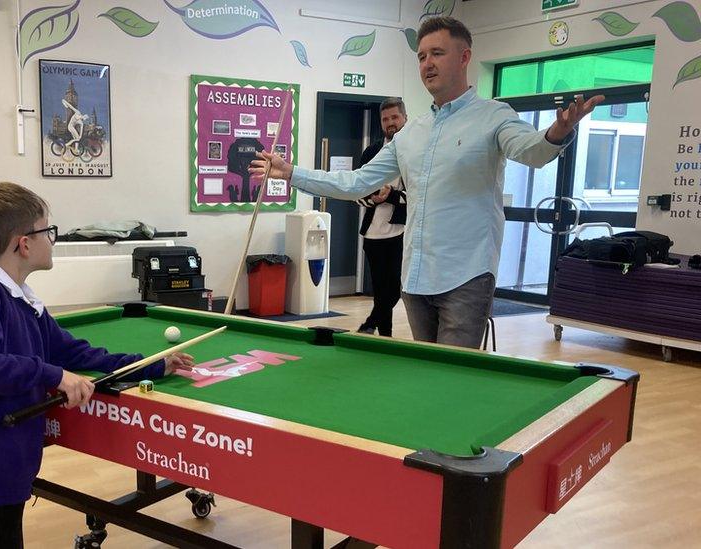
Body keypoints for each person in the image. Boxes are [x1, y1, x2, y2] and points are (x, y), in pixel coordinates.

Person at [251, 16, 603, 349]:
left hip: (467, 275)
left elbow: (533, 152)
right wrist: (293, 173)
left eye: (437, 53)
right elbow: (356, 182)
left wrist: (558, 132)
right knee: (425, 375)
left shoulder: (494, 116)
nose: (427, 63)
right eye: (421, 56)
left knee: (452, 379)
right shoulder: (411, 133)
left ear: (464, 57)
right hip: (417, 278)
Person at [0, 181, 194, 548]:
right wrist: (52, 375)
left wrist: (150, 365)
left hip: (9, 464)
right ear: (24, 243)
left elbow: (78, 354)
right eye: (48, 230)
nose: (52, 239)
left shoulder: (25, 301)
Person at [355, 97, 408, 336]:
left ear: (405, 118)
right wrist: (373, 198)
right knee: (380, 290)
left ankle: (369, 323)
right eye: (385, 119)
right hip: (373, 234)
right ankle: (385, 336)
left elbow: (420, 195)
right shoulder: (371, 152)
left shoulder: (415, 152)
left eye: (394, 117)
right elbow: (356, 191)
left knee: (395, 289)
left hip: (401, 232)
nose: (390, 123)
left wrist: (392, 196)